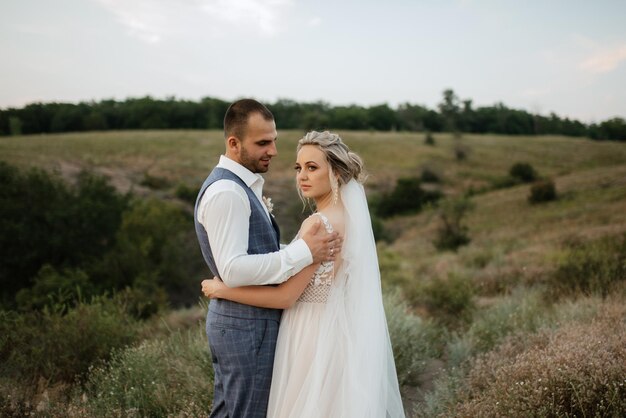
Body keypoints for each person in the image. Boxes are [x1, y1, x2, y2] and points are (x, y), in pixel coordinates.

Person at [202, 131, 405, 417]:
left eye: (312, 167)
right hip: (336, 335)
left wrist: (222, 290)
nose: (302, 176)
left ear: (335, 172)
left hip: (308, 336)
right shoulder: (348, 220)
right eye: (299, 168)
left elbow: (286, 297)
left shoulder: (318, 224)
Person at [194, 100, 341, 418]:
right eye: (262, 142)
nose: (273, 150)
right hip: (246, 327)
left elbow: (255, 253)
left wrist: (299, 248)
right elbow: (233, 269)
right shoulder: (228, 193)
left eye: (273, 140)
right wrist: (304, 252)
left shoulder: (239, 188)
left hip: (243, 323)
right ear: (234, 143)